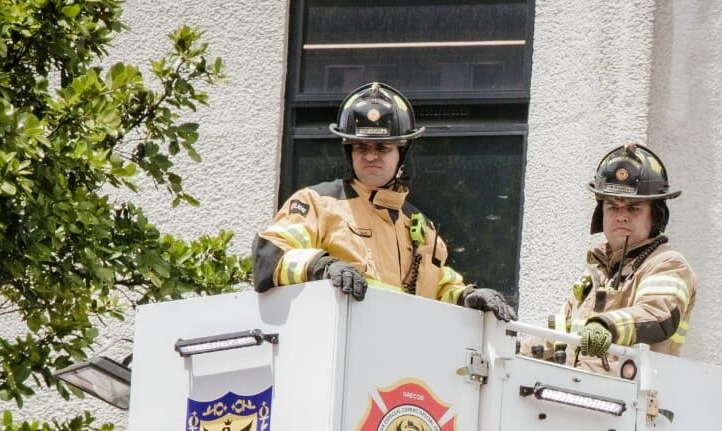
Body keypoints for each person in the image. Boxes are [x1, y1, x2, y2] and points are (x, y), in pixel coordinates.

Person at [252, 81, 513, 320]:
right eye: (361, 147)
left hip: (401, 362)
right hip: (340, 350)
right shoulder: (318, 204)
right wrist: (321, 266)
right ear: (348, 152)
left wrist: (465, 296)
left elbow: (438, 287)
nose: (370, 156)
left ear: (402, 153)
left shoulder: (422, 229)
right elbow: (270, 257)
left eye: (382, 148)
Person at [535, 143, 696, 370]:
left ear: (656, 216)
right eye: (612, 207)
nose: (621, 216)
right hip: (577, 391)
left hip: (634, 399)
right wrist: (505, 341)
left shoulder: (668, 265)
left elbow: (656, 313)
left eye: (633, 208)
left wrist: (607, 326)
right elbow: (557, 335)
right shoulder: (597, 271)